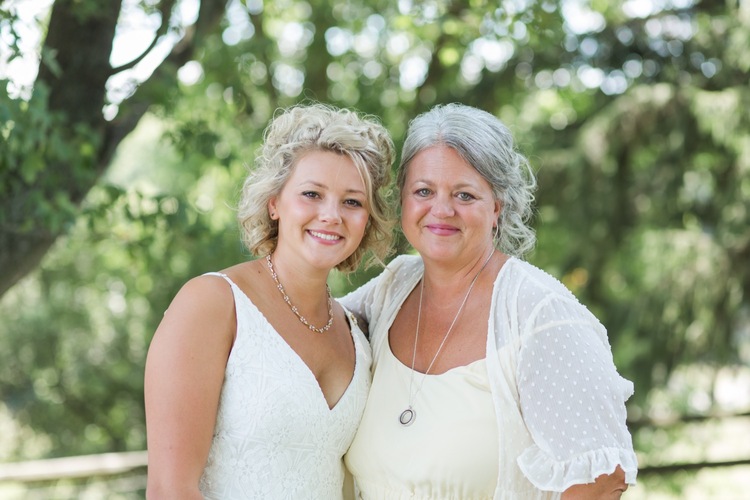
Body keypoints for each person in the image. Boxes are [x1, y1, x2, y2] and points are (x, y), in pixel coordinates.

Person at [341, 103, 638, 499]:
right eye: (424, 191)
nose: (441, 210)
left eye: (464, 195)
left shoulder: (541, 316)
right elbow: (308, 322)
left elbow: (602, 479)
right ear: (404, 200)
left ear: (497, 206)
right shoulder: (392, 288)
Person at [144, 103, 395, 499]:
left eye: (352, 202)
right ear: (274, 202)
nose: (331, 215)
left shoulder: (358, 333)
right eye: (312, 194)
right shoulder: (212, 304)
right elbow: (168, 490)